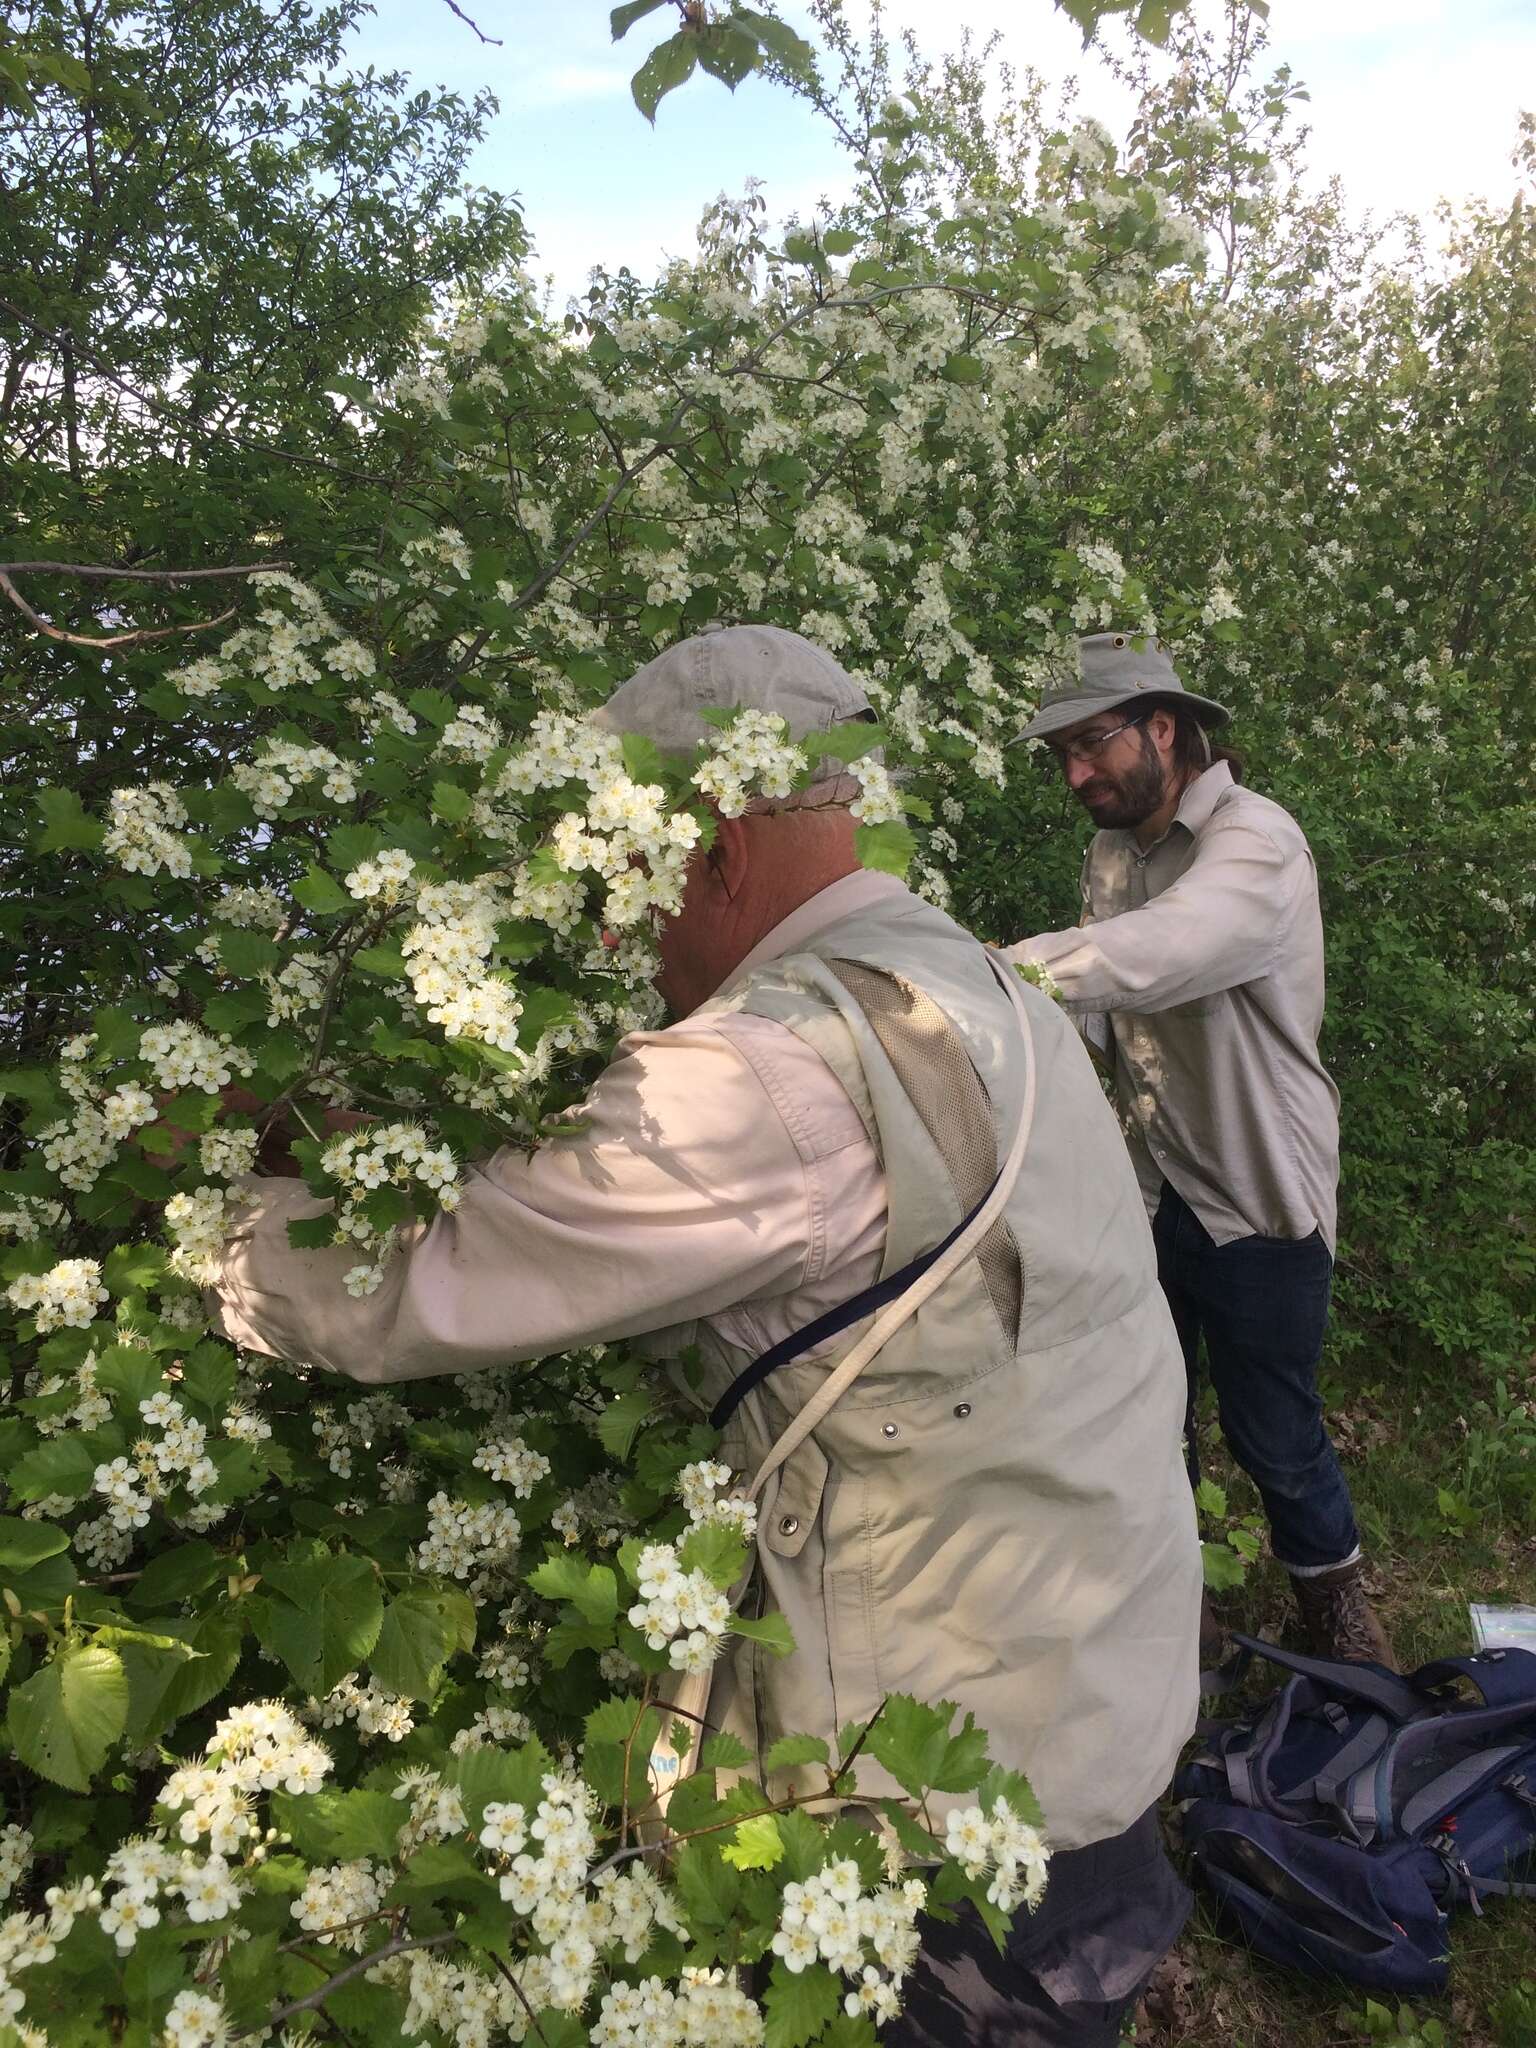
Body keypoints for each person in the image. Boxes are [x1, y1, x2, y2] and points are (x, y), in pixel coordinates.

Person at [209, 624, 1203, 2047]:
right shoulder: (972, 984)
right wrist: (386, 1153)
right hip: (1091, 1691)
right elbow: (646, 1215)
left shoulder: (764, 1076)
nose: (622, 931)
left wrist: (203, 1229)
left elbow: (422, 1283)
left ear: (720, 854)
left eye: (636, 876)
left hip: (939, 1835)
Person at [1002, 630, 1395, 1670]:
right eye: (1062, 756)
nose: (1077, 774)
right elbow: (1102, 1023)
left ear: (1163, 727)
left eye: (1092, 745)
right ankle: (1183, 1628)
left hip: (1259, 1202)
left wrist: (997, 975)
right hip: (1150, 1190)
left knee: (1277, 1437)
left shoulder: (1257, 845)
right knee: (1143, 1417)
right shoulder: (1113, 851)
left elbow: (1161, 955)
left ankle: (1349, 1642)